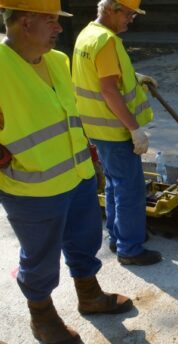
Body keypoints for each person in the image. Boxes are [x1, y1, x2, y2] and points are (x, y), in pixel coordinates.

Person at [0, 1, 133, 342]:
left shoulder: (58, 61)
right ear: (25, 22)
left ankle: (90, 295)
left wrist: (91, 160)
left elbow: (70, 118)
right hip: (33, 189)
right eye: (52, 21)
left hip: (77, 176)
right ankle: (42, 318)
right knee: (41, 258)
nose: (59, 28)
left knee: (85, 240)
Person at [72, 0, 161, 265]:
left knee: (114, 184)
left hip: (96, 127)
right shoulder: (107, 42)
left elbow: (101, 76)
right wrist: (134, 129)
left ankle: (117, 235)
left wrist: (134, 76)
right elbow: (109, 89)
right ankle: (130, 249)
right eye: (130, 14)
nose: (132, 19)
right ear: (112, 10)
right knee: (130, 190)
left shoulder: (88, 34)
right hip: (114, 129)